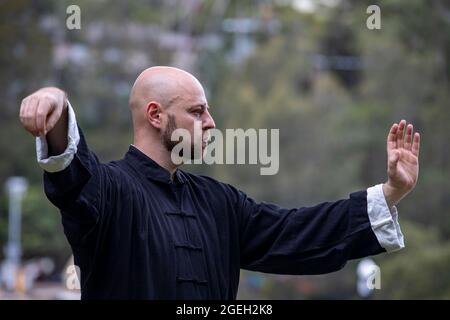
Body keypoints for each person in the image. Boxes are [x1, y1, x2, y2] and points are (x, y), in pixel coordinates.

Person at [19, 66, 420, 299]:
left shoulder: (220, 202)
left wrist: (391, 192)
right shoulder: (109, 192)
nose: (211, 123)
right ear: (156, 116)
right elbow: (73, 175)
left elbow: (296, 232)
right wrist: (55, 107)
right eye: (197, 111)